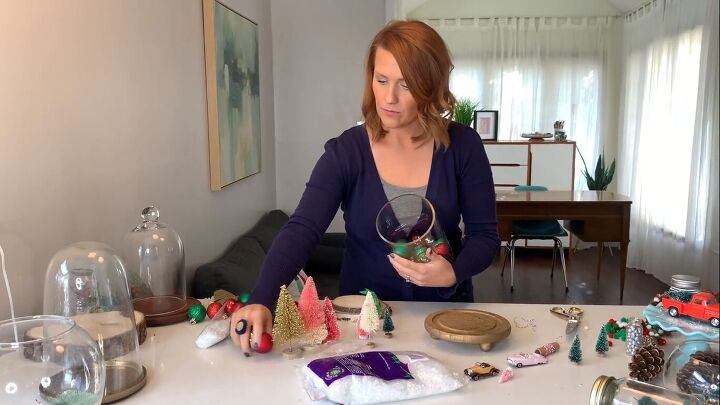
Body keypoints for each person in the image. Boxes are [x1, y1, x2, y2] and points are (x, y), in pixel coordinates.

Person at [231, 20, 499, 356]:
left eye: (406, 85)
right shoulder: (347, 152)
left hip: (444, 320)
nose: (389, 97)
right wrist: (262, 298)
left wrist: (453, 272)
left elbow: (485, 236)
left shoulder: (463, 145)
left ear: (431, 86)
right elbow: (303, 229)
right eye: (381, 80)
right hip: (362, 325)